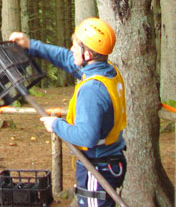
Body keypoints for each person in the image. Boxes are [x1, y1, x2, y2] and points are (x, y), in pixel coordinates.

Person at [9, 17, 126, 207]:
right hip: (110, 161)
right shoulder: (106, 71)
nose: (71, 48)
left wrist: (57, 125)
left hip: (98, 168)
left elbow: (86, 137)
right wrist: (31, 45)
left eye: (75, 45)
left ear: (88, 54)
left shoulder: (93, 90)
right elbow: (66, 58)